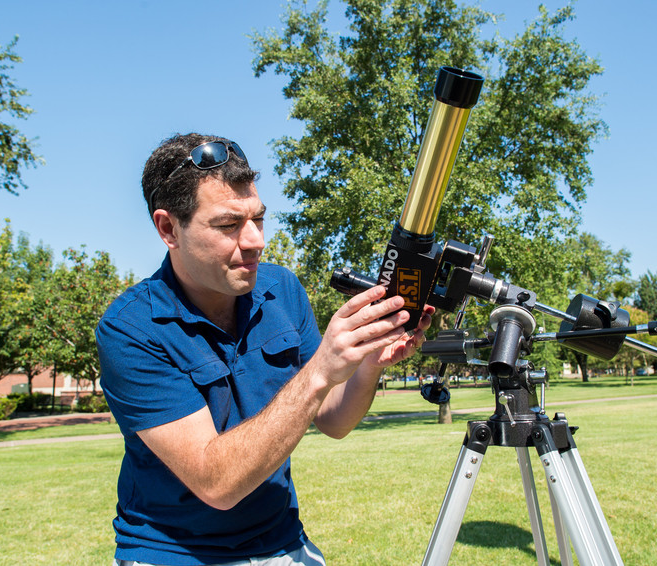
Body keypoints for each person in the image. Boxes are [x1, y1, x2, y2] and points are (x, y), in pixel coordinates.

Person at [96, 133, 433, 566]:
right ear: (168, 229)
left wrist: (367, 362)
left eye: (258, 218)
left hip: (283, 541)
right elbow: (216, 483)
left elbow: (334, 419)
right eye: (228, 224)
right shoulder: (132, 329)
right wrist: (318, 371)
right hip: (175, 554)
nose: (255, 240)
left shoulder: (281, 290)